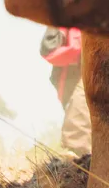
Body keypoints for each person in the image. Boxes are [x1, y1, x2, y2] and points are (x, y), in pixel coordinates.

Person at [39, 25, 91, 156]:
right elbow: (49, 49)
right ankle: (76, 157)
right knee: (82, 104)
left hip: (100, 71)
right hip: (75, 73)